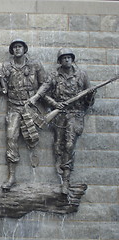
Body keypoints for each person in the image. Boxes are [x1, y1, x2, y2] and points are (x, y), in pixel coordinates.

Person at [39, 48, 95, 194]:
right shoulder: (54, 75)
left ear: (72, 59)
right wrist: (55, 104)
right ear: (60, 61)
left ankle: (66, 179)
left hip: (75, 114)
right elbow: (42, 94)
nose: (67, 60)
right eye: (64, 58)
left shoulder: (82, 75)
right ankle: (59, 163)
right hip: (59, 114)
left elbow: (89, 103)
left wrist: (90, 94)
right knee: (58, 145)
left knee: (69, 145)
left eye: (69, 57)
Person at [0, 39, 48, 191]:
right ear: (11, 50)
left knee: (32, 136)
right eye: (14, 47)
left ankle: (34, 157)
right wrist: (1, 82)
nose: (17, 49)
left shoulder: (35, 65)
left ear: (24, 49)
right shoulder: (5, 66)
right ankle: (11, 176)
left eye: (19, 47)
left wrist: (36, 97)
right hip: (13, 107)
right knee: (11, 138)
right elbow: (2, 90)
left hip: (29, 106)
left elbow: (45, 83)